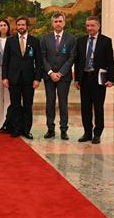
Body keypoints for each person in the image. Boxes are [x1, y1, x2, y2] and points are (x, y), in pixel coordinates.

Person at [74, 15, 114, 144]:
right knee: (85, 107)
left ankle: (97, 133)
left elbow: (110, 62)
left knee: (98, 107)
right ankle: (87, 132)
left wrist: (111, 79)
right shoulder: (80, 41)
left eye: (92, 25)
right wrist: (76, 79)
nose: (89, 28)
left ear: (98, 26)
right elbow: (78, 61)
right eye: (87, 26)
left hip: (99, 79)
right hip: (84, 78)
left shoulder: (106, 41)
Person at [2, 16, 42, 139]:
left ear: (27, 26)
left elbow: (39, 62)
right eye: (18, 25)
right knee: (15, 105)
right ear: (16, 26)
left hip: (29, 80)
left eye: (23, 25)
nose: (20, 27)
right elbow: (6, 61)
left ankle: (26, 130)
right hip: (13, 78)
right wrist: (4, 77)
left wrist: (37, 79)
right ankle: (16, 128)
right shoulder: (11, 40)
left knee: (28, 105)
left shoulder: (35, 41)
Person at [41, 12, 76, 140]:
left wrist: (60, 73)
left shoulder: (71, 39)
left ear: (64, 23)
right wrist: (50, 72)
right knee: (50, 102)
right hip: (49, 77)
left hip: (64, 77)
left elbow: (71, 58)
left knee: (63, 103)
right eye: (55, 22)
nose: (58, 24)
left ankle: (63, 130)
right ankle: (50, 129)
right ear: (52, 23)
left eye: (60, 21)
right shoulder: (45, 38)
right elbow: (42, 57)